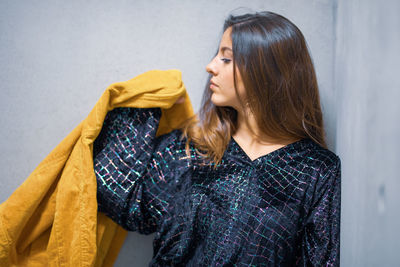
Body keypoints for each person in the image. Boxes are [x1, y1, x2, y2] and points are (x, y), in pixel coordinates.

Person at [93, 11, 341, 266]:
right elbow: (117, 194)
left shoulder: (317, 171)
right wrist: (145, 105)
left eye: (226, 58)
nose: (210, 66)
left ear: (265, 70)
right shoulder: (189, 150)